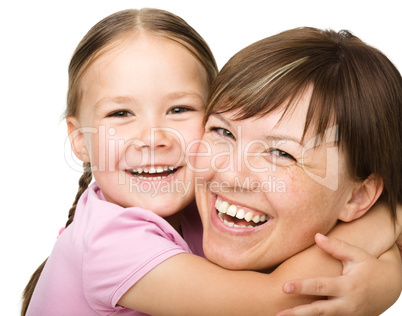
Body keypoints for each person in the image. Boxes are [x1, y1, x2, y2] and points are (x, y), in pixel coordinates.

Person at [22, 9, 401, 316]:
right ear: (80, 140)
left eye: (180, 109)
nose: (154, 138)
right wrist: (388, 223)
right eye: (120, 113)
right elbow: (280, 299)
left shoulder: (200, 211)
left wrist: (386, 273)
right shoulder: (109, 240)